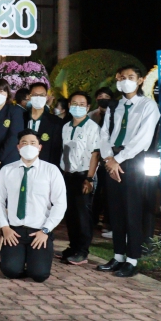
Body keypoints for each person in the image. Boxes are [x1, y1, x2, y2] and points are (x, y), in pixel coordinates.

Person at [97, 65, 160, 278]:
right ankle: (118, 256)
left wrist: (118, 160)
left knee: (133, 210)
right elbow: (104, 134)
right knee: (115, 210)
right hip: (112, 159)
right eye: (122, 77)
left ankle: (132, 260)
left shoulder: (148, 106)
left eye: (131, 77)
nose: (126, 81)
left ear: (140, 80)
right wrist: (109, 158)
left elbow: (143, 138)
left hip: (133, 161)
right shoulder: (114, 106)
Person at [0, 129, 67, 283]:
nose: (28, 146)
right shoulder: (7, 170)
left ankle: (33, 259)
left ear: (40, 147)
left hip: (39, 232)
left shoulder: (51, 170)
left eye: (33, 143)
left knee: (39, 275)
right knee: (10, 271)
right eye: (24, 143)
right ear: (18, 147)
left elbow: (60, 204)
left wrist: (46, 230)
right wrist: (5, 227)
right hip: (14, 232)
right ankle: (20, 258)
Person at [58, 91, 100, 265]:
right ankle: (73, 247)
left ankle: (82, 251)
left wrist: (89, 178)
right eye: (74, 103)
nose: (77, 107)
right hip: (68, 175)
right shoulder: (66, 127)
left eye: (82, 104)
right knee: (71, 214)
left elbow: (95, 154)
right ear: (69, 105)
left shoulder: (92, 127)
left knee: (83, 215)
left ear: (88, 107)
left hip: (83, 175)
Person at [88, 87, 115, 237]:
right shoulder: (91, 116)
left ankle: (108, 222)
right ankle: (92, 219)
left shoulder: (116, 115)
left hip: (109, 158)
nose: (103, 98)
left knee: (109, 191)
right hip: (94, 157)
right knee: (95, 191)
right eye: (100, 96)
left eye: (106, 96)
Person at [23, 82, 63, 167]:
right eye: (35, 95)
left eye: (42, 95)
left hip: (44, 166)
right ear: (29, 97)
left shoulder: (55, 122)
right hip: (22, 164)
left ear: (46, 97)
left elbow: (56, 150)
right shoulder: (21, 118)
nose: (38, 98)